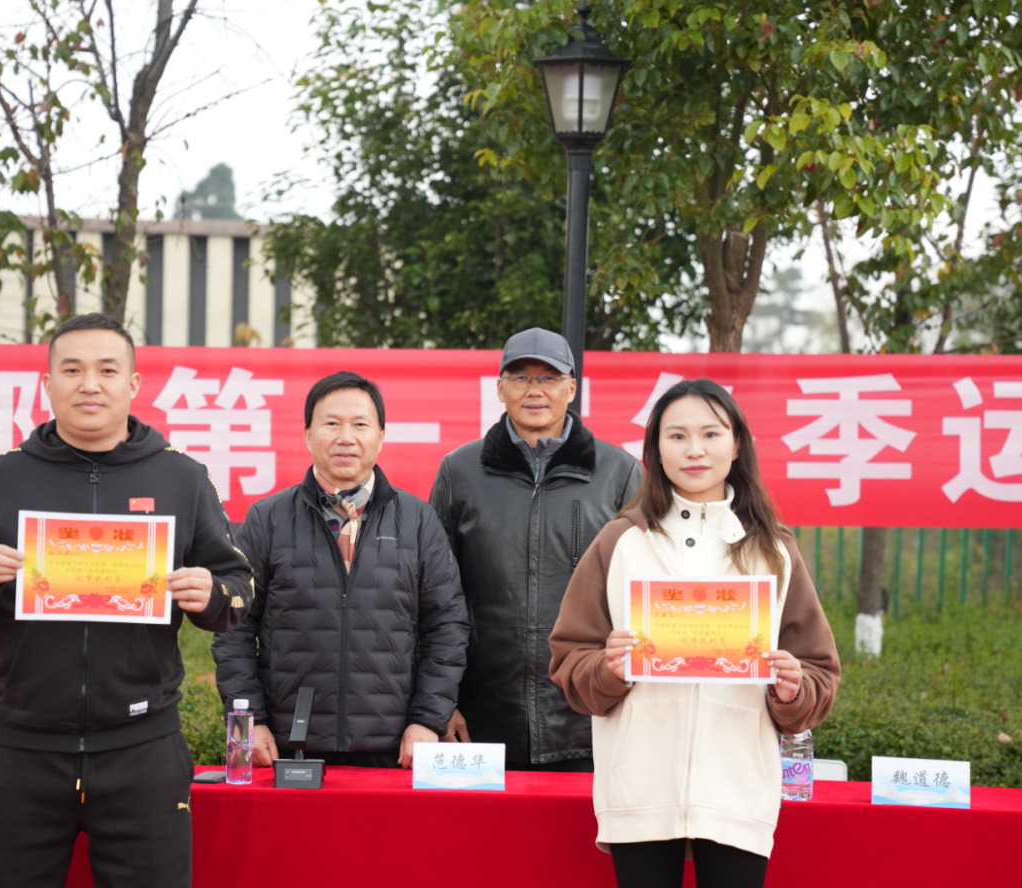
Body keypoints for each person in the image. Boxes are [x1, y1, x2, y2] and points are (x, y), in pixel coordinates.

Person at [0, 313, 253, 888]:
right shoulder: (1, 479)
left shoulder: (183, 478)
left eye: (107, 370)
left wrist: (210, 594)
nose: (89, 384)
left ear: (133, 383)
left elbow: (240, 593)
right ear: (48, 384)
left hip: (143, 749)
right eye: (72, 370)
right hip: (19, 750)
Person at [549, 378, 840, 888]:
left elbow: (818, 669)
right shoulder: (622, 541)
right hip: (639, 788)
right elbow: (570, 655)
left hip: (737, 791)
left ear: (737, 445)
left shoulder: (774, 550)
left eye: (710, 434)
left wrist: (791, 690)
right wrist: (607, 669)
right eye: (677, 436)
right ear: (656, 450)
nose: (695, 450)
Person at [213, 371, 468, 769]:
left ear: (381, 436)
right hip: (285, 745)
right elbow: (234, 630)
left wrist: (427, 721)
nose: (346, 437)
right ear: (308, 434)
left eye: (360, 425)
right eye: (331, 423)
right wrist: (250, 723)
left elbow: (447, 628)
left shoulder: (418, 521)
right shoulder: (267, 519)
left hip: (395, 747)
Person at [428, 327, 642, 770]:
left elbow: (641, 596)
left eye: (548, 378)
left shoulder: (619, 473)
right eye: (521, 377)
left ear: (571, 388)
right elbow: (433, 597)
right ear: (500, 388)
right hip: (482, 717)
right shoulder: (458, 471)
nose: (534, 390)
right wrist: (439, 702)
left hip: (588, 712)